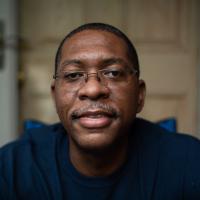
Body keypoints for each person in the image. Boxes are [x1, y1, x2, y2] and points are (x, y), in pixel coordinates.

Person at [0, 23, 200, 200]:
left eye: (113, 73)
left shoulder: (189, 163)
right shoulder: (13, 170)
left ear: (139, 95)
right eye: (73, 75)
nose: (93, 89)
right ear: (55, 96)